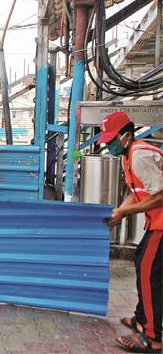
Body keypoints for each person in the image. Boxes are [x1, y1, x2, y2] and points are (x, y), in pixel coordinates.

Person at [100, 112, 163, 353]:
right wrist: (119, 211)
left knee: (148, 272)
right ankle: (142, 318)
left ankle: (152, 337)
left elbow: (159, 196)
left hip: (161, 223)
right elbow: (137, 193)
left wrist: (126, 213)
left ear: (126, 136)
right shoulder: (128, 156)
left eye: (111, 139)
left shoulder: (138, 155)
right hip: (156, 222)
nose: (108, 144)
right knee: (143, 265)